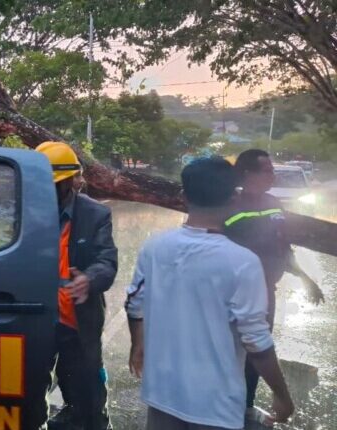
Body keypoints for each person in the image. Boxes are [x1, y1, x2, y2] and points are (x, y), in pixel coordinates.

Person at [125, 156, 294, 429]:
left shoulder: (155, 247)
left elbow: (134, 304)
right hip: (215, 405)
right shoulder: (242, 262)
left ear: (183, 196)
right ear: (234, 198)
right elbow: (256, 340)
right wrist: (282, 395)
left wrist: (138, 346)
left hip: (161, 393)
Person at [225, 149, 325, 424]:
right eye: (267, 170)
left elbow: (283, 248)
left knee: (258, 351)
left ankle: (245, 407)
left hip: (267, 292)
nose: (273, 175)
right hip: (235, 294)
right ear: (247, 174)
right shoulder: (230, 205)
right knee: (235, 350)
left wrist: (305, 278)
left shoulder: (273, 203)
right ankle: (222, 408)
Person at [36, 141, 117, 430]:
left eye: (55, 184)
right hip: (36, 320)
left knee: (88, 394)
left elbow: (107, 261)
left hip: (78, 321)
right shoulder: (27, 211)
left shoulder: (95, 214)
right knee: (31, 395)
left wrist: (89, 279)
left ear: (70, 180)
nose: (49, 191)